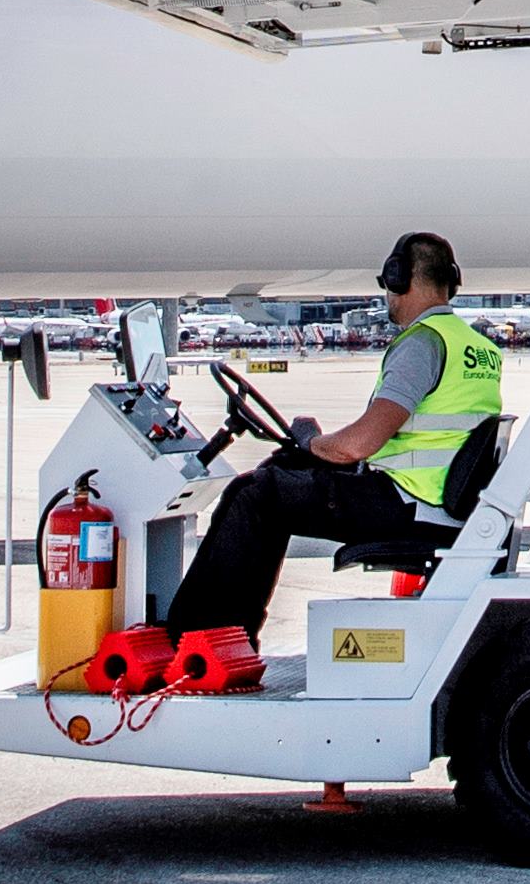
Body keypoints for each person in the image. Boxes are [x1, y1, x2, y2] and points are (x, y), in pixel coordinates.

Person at [160, 234, 501, 687]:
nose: (387, 298)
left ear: (401, 279)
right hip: (439, 502)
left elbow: (363, 442)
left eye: (389, 285)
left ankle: (195, 642)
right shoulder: (475, 346)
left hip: (407, 505)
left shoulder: (422, 343)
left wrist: (313, 442)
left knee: (255, 493)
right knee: (280, 482)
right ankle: (232, 641)